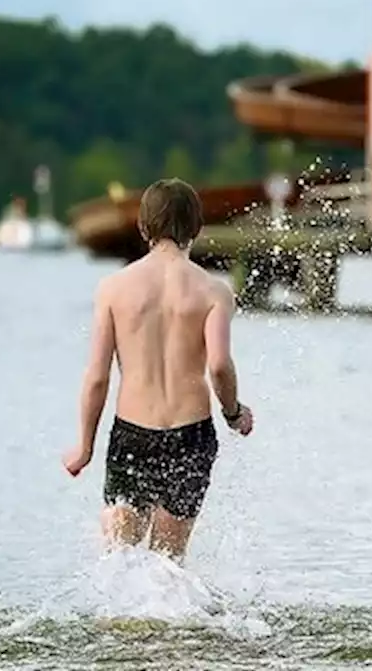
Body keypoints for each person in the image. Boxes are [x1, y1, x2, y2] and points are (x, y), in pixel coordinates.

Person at [62, 177, 254, 562]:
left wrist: (84, 446)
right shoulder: (214, 291)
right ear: (197, 228)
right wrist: (234, 413)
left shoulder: (113, 288)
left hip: (132, 433)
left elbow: (97, 376)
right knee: (168, 563)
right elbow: (218, 365)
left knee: (120, 558)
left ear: (142, 227)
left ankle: (117, 572)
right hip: (191, 436)